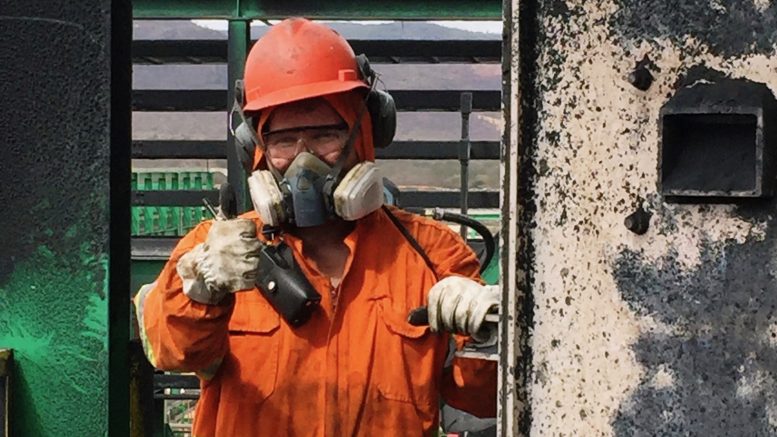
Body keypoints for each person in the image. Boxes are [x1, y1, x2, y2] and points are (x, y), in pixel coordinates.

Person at [134, 17, 499, 436]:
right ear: (256, 148)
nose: (304, 160)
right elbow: (171, 351)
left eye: (327, 136)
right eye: (284, 140)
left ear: (363, 134)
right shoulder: (219, 253)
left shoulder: (432, 254)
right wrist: (200, 293)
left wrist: (486, 337)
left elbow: (481, 398)